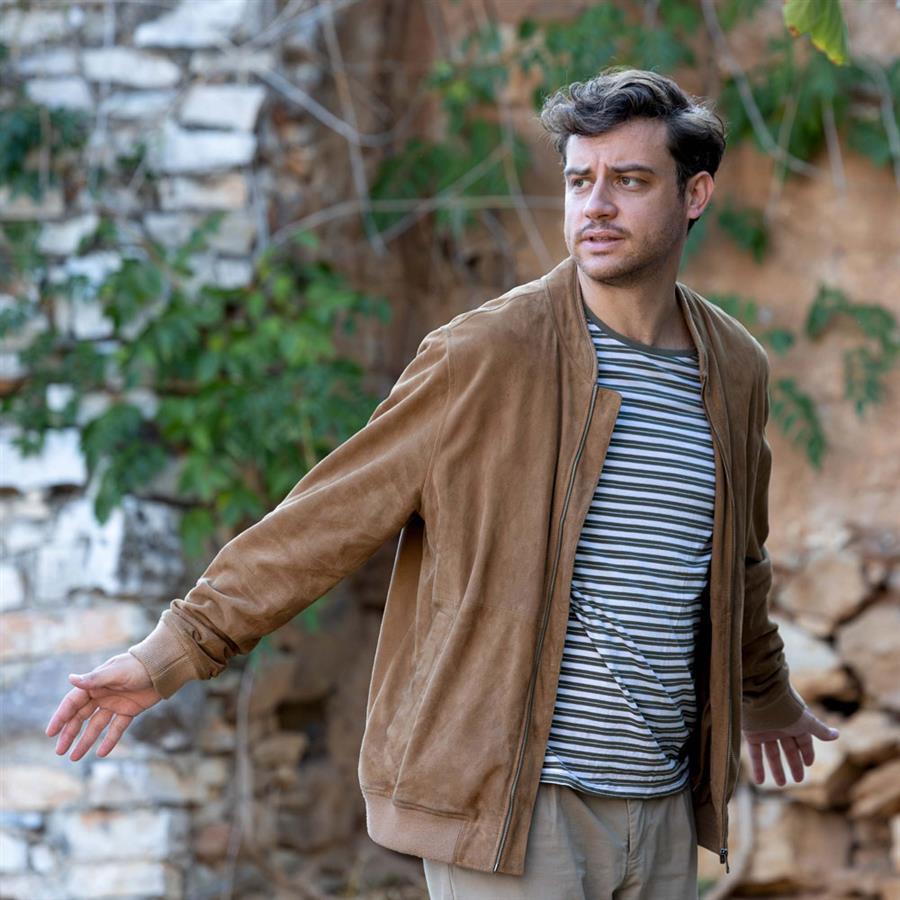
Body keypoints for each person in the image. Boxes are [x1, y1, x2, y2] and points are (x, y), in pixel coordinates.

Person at [46, 67, 839, 899]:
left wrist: (766, 694)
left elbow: (737, 563)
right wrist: (174, 652)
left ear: (694, 194)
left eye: (630, 181)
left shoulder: (734, 369)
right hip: (513, 812)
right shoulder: (486, 354)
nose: (596, 206)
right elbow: (325, 519)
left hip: (664, 806)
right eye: (580, 182)